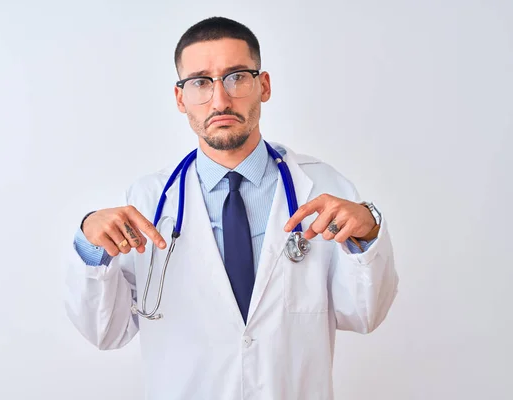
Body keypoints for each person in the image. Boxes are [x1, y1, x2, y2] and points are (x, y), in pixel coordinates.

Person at [65, 16, 399, 400]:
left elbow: (364, 314)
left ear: (264, 85)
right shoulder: (148, 201)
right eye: (200, 82)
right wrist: (91, 245)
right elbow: (106, 331)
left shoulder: (323, 189)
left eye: (237, 76)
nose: (220, 99)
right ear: (180, 98)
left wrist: (368, 233)